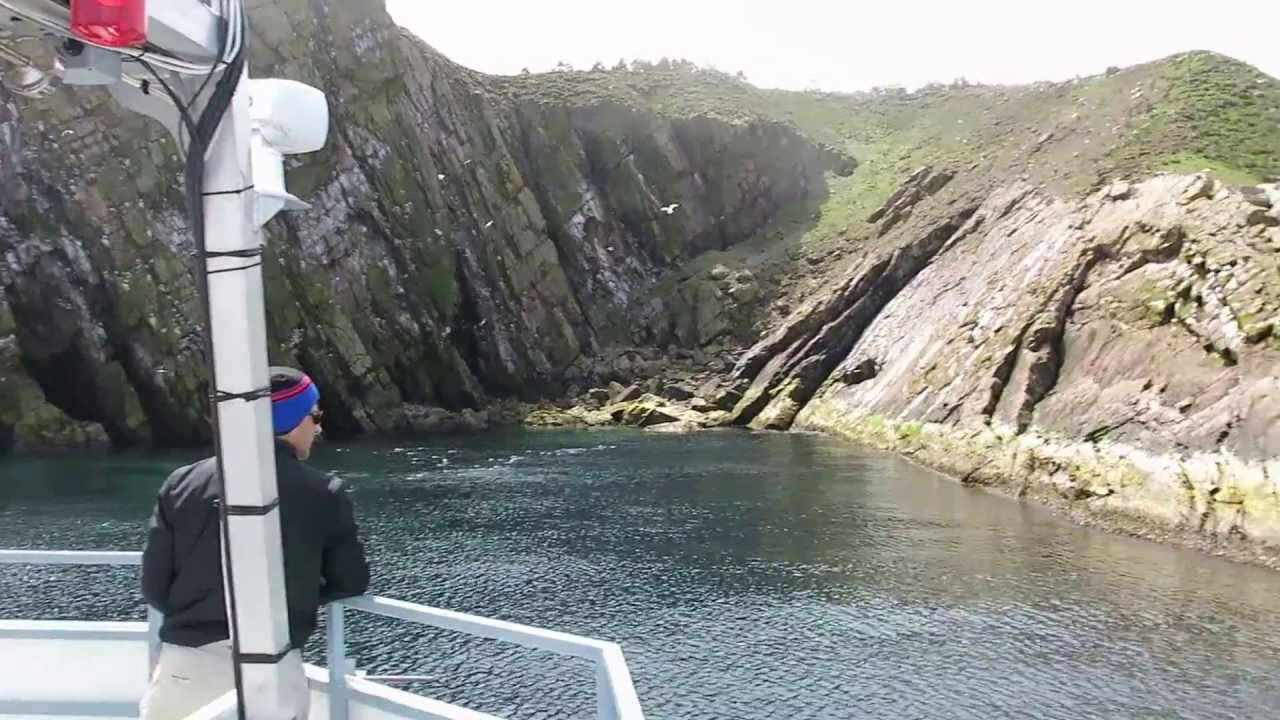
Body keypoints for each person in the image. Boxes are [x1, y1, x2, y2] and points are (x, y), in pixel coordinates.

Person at [139, 367, 370, 719]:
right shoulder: (324, 493)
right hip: (272, 676)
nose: (320, 427)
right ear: (291, 421)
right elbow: (351, 580)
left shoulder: (179, 484)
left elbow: (155, 588)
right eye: (315, 415)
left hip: (185, 673)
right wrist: (300, 593)